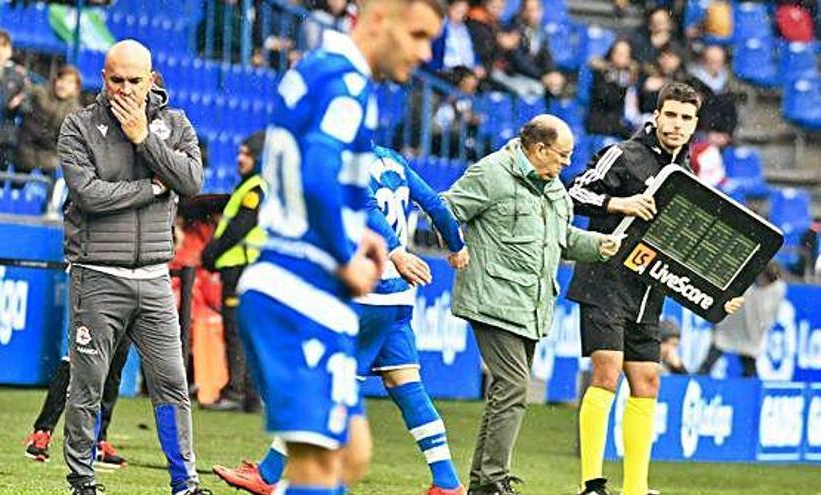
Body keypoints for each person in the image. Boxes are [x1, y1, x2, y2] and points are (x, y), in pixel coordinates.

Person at [229, 1, 444, 494]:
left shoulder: (321, 69)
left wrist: (359, 231)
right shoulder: (346, 82)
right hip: (298, 285)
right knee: (321, 467)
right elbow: (318, 176)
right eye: (416, 35)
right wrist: (345, 255)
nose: (426, 53)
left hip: (303, 286)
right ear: (375, 20)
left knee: (350, 452)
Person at [213, 145, 470, 495]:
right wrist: (456, 245)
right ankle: (447, 483)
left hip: (363, 296)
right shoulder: (392, 159)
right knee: (406, 385)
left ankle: (276, 476)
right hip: (396, 298)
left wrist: (395, 252)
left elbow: (367, 210)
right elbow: (435, 203)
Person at [566, 82, 744, 495]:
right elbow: (572, 192)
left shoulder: (687, 175)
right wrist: (619, 204)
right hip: (605, 281)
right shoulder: (623, 154)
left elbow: (690, 243)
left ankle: (635, 488)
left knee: (647, 383)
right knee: (606, 376)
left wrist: (721, 292)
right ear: (656, 116)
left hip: (648, 292)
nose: (677, 125)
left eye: (686, 118)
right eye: (671, 115)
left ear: (694, 124)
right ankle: (591, 485)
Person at [441, 115, 622, 495]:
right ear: (538, 149)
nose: (567, 164)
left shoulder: (554, 187)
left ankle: (482, 483)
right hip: (491, 298)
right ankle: (493, 481)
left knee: (506, 391)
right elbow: (445, 208)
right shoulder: (491, 173)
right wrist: (456, 248)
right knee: (514, 386)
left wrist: (598, 245)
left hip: (532, 304)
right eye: (563, 155)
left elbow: (563, 238)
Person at [58, 39, 205, 495]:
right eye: (116, 79)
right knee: (88, 386)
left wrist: (144, 138)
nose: (124, 89)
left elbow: (191, 182)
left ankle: (185, 483)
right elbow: (89, 196)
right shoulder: (78, 126)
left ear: (152, 80)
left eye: (134, 81)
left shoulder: (176, 124)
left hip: (156, 278)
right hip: (97, 275)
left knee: (172, 385)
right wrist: (152, 189)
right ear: (103, 78)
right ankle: (82, 482)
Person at [200, 131, 266, 413]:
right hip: (248, 267)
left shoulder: (254, 189)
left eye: (247, 154)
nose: (240, 159)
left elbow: (239, 228)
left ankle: (236, 392)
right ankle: (252, 395)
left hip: (240, 267)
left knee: (236, 332)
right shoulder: (254, 185)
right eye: (239, 153)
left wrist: (210, 253)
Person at [24, 336, 131, 468]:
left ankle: (98, 442)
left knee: (113, 369)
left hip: (127, 316)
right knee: (74, 362)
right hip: (93, 316)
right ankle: (42, 432)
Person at [698, 262, 786, 377]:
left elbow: (770, 316)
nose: (764, 285)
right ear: (761, 275)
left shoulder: (777, 289)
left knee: (749, 367)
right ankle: (698, 380)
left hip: (751, 333)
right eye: (764, 281)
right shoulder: (743, 279)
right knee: (710, 361)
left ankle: (749, 389)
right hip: (728, 327)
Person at [16, 65, 82, 177]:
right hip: (25, 151)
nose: (63, 85)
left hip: (52, 159)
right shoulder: (39, 94)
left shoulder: (76, 113)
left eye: (69, 82)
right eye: (62, 80)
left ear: (76, 89)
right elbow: (27, 91)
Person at [0, 29, 29, 174]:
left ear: (10, 51)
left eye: (3, 46)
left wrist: (19, 105)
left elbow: (27, 107)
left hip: (5, 139)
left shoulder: (17, 75)